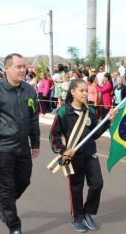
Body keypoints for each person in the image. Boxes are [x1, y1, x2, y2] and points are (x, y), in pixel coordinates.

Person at [0, 53, 40, 234]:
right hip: (2, 149)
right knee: (7, 187)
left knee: (24, 181)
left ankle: (5, 202)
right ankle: (14, 227)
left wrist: (35, 142)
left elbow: (33, 118)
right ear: (7, 68)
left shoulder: (30, 90)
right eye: (18, 67)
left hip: (22, 147)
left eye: (24, 67)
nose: (23, 70)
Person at [49, 78, 116, 233]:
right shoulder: (64, 112)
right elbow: (54, 136)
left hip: (90, 154)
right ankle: (77, 218)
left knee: (97, 184)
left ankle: (88, 213)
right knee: (76, 188)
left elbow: (95, 134)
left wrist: (107, 122)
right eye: (82, 90)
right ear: (72, 92)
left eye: (87, 90)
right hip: (73, 157)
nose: (85, 93)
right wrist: (63, 151)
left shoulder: (90, 111)